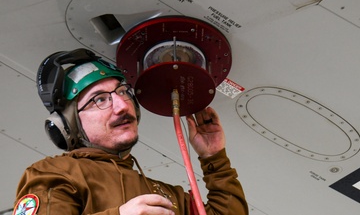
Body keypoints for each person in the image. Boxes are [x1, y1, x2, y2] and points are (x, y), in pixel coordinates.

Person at [12, 48, 248, 215]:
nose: (122, 106)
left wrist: (213, 158)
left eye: (123, 92)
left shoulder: (166, 196)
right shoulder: (54, 174)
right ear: (69, 124)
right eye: (99, 100)